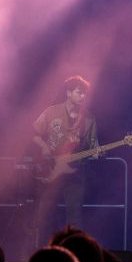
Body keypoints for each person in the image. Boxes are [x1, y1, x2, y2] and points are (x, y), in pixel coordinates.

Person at [32, 75, 99, 236]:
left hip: (75, 172)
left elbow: (93, 145)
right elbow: (34, 133)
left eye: (84, 94)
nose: (83, 97)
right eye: (79, 92)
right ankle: (42, 251)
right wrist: (44, 147)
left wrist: (96, 152)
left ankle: (75, 252)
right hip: (50, 169)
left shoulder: (89, 118)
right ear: (68, 93)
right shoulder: (51, 112)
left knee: (74, 216)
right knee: (45, 213)